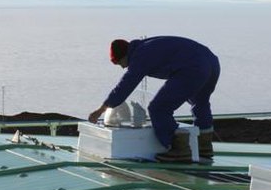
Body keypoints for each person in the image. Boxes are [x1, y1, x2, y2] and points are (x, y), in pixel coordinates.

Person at [88, 36, 220, 163]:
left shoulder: (139, 56)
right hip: (211, 62)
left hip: (193, 67)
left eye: (120, 63)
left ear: (124, 55)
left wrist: (100, 110)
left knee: (159, 108)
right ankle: (204, 148)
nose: (123, 67)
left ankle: (179, 149)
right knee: (200, 102)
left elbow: (124, 87)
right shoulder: (145, 46)